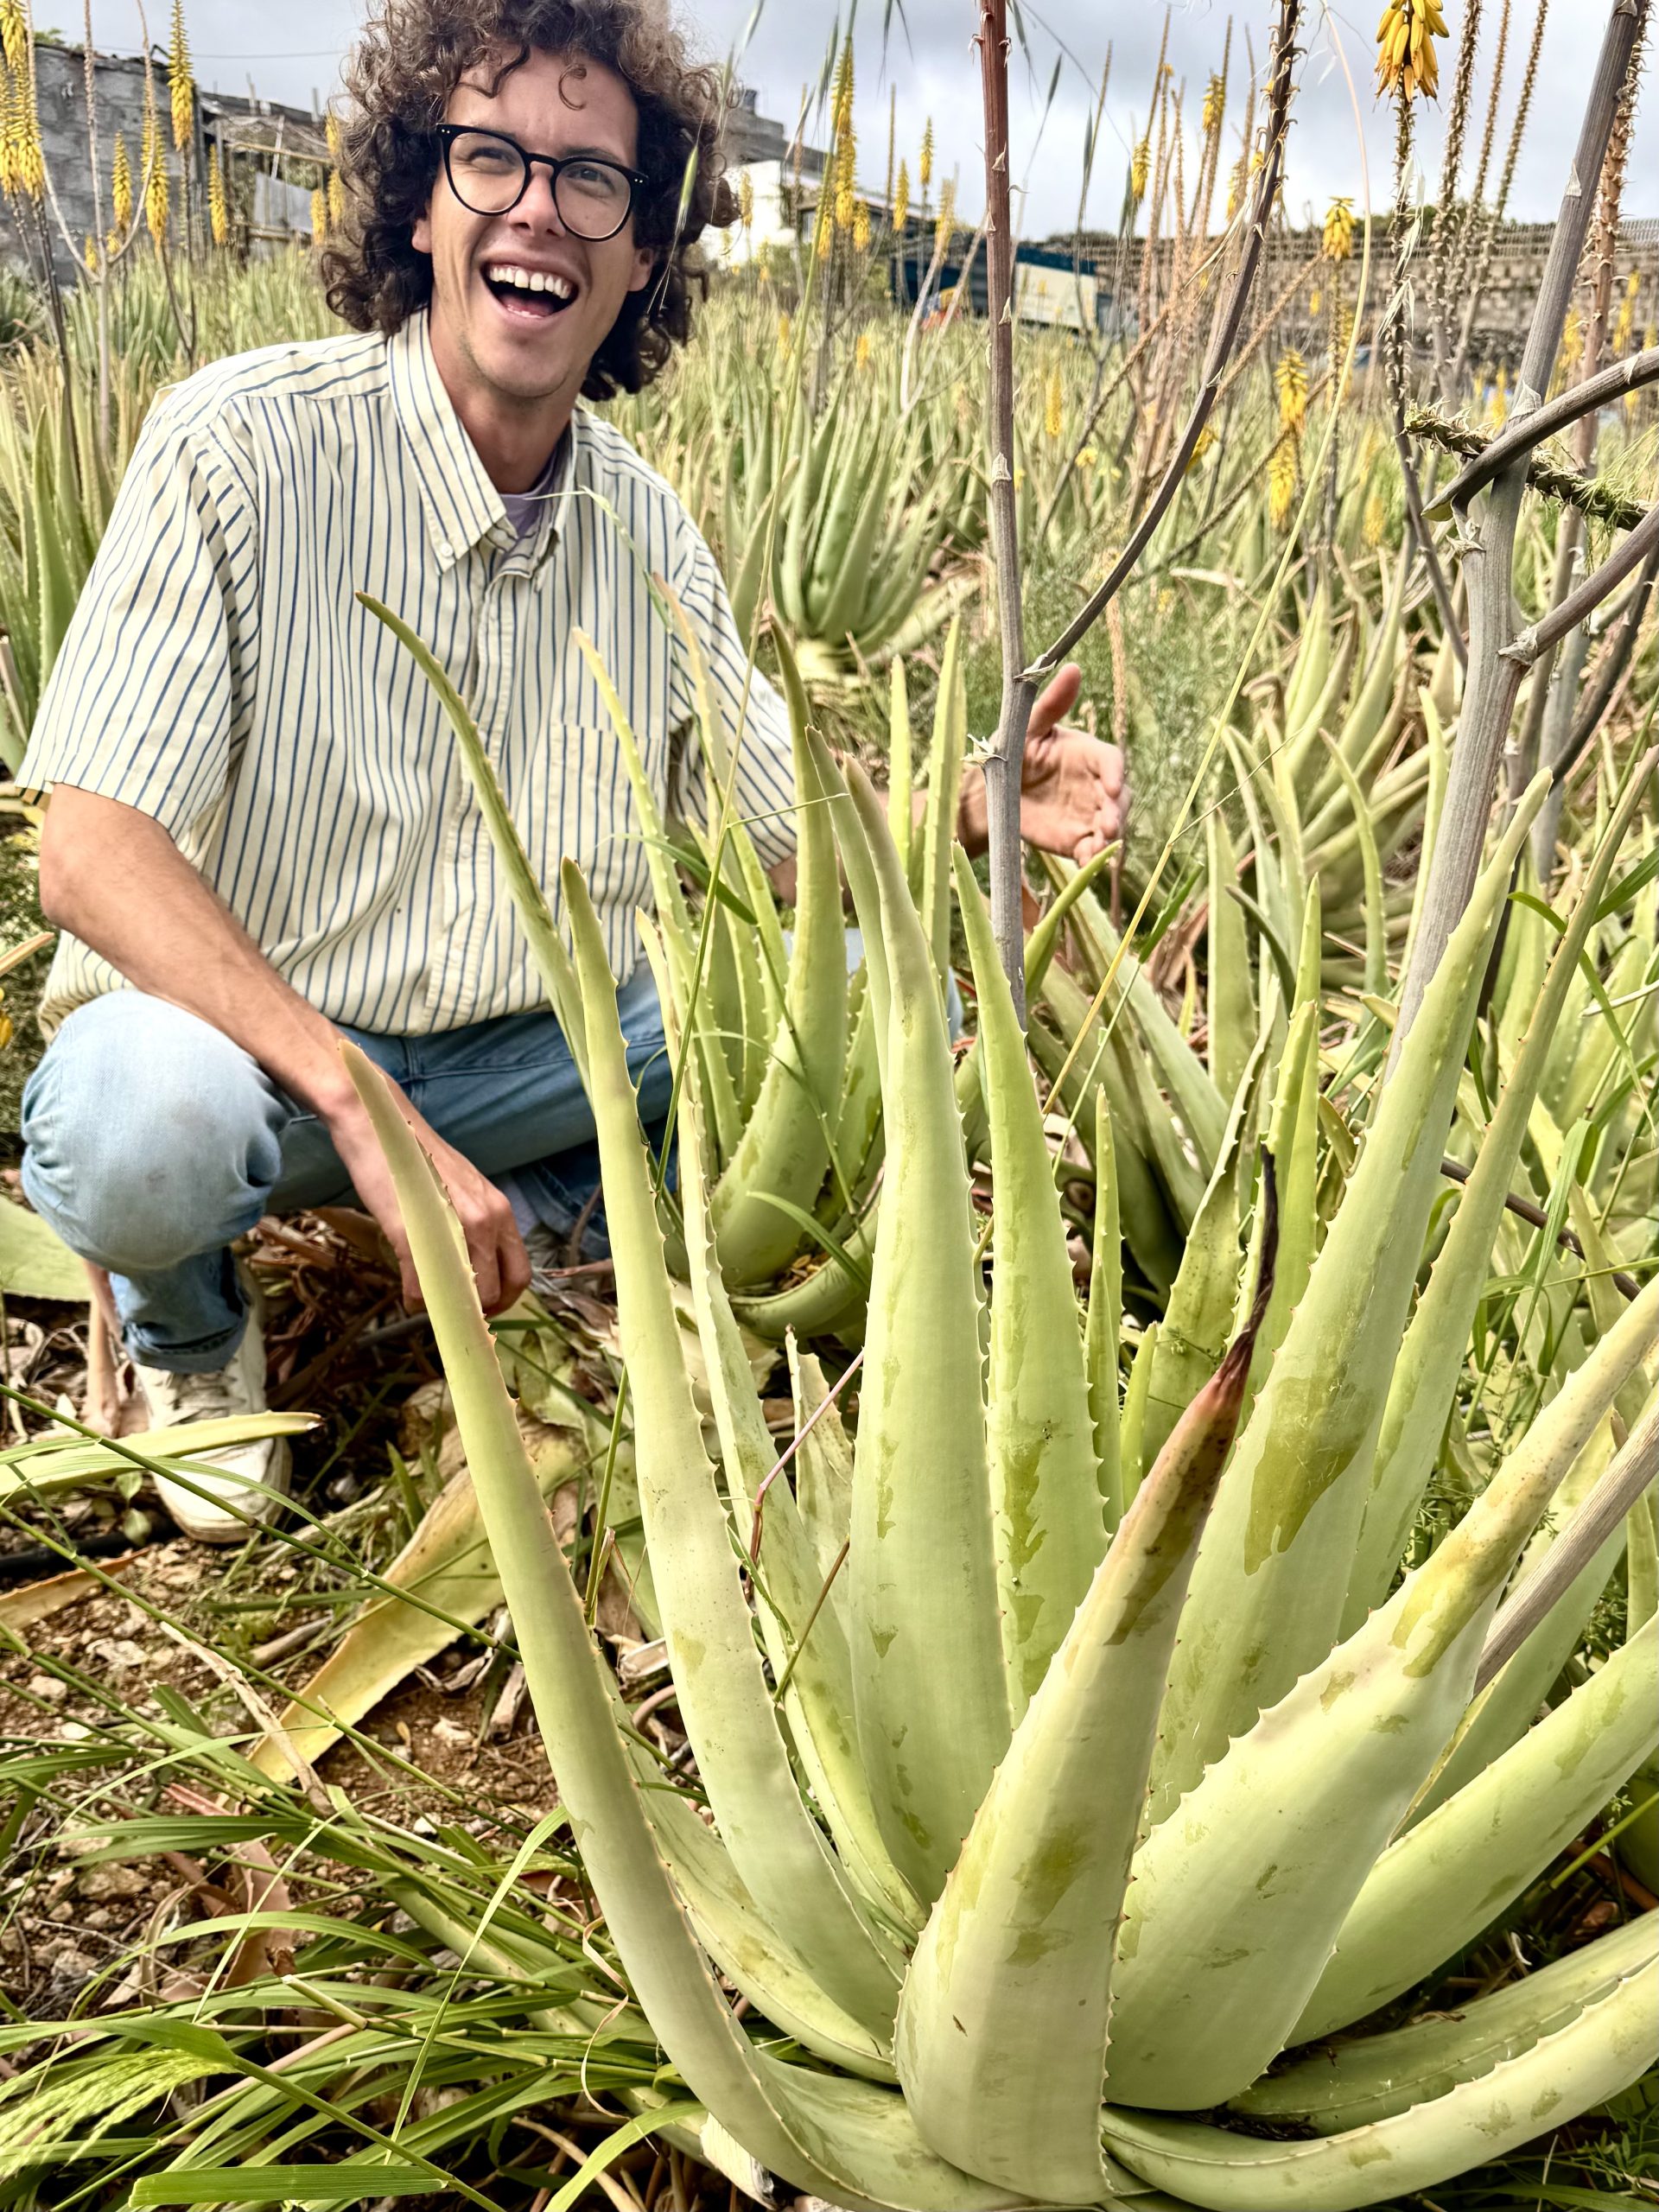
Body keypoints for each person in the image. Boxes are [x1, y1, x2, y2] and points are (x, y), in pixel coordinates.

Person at [17, 0, 1127, 1542]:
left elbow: (779, 846)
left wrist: (967, 808)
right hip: (257, 1058)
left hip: (528, 1060)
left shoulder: (644, 525)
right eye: (490, 160)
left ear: (640, 255)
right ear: (420, 204)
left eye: (591, 180)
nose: (537, 206)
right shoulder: (237, 449)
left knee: (894, 996)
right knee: (141, 1119)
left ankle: (557, 1231)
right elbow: (88, 853)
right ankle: (191, 1341)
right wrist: (358, 1105)